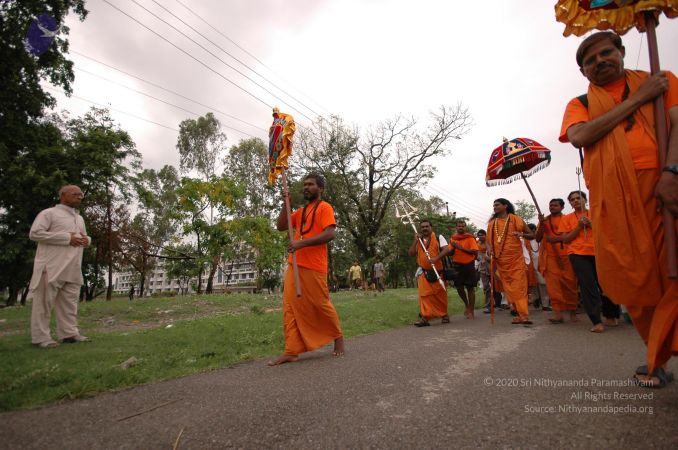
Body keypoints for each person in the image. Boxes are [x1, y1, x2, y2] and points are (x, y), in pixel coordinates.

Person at [560, 31, 678, 387]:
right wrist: (639, 99)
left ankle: (660, 352)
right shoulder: (580, 103)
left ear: (622, 51)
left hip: (666, 186)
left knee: (674, 270)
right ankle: (657, 357)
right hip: (615, 201)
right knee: (636, 281)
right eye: (590, 61)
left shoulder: (660, 79)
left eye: (606, 53)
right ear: (583, 72)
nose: (600, 62)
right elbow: (580, 136)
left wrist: (672, 172)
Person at [269, 173, 344, 365]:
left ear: (321, 188)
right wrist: (285, 204)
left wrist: (301, 244)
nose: (306, 187)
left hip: (315, 266)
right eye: (304, 184)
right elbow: (281, 226)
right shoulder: (301, 212)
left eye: (310, 184)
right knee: (289, 308)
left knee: (321, 304)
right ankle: (291, 350)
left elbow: (330, 234)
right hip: (294, 265)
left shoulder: (325, 207)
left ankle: (338, 338)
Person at [29, 185, 91, 348]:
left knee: (69, 303)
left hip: (73, 267)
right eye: (75, 194)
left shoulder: (79, 218)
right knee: (43, 303)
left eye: (81, 194)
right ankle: (40, 338)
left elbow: (83, 236)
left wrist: (87, 240)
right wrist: (66, 238)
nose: (79, 197)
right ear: (63, 195)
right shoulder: (49, 213)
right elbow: (35, 234)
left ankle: (69, 333)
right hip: (51, 266)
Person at [559, 191, 620, 333]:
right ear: (570, 203)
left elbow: (608, 233)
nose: (575, 201)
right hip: (578, 254)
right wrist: (578, 227)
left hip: (599, 252)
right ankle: (596, 321)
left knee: (606, 284)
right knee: (587, 285)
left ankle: (611, 315)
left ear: (585, 200)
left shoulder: (596, 213)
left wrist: (591, 224)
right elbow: (565, 239)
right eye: (572, 199)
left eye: (578, 198)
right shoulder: (566, 218)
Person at [486, 198, 534, 325]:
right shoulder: (492, 223)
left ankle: (524, 315)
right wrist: (489, 250)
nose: (494, 207)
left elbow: (531, 235)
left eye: (497, 205)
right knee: (509, 288)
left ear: (505, 206)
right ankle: (518, 313)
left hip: (516, 259)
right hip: (501, 261)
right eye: (493, 205)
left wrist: (521, 234)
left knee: (519, 286)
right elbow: (488, 242)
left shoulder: (516, 219)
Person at [535, 199, 579, 323]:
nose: (552, 207)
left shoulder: (568, 219)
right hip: (550, 257)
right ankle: (557, 314)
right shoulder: (545, 221)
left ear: (562, 207)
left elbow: (573, 236)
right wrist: (541, 224)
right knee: (553, 286)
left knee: (570, 284)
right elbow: (537, 238)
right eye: (551, 205)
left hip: (567, 255)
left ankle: (573, 312)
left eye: (555, 205)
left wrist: (556, 239)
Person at [408, 220, 449, 326]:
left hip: (438, 272)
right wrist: (415, 241)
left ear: (431, 227)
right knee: (424, 296)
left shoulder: (439, 237)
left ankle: (444, 315)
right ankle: (425, 318)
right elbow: (411, 253)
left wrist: (436, 258)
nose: (425, 228)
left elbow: (446, 250)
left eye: (427, 226)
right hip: (424, 273)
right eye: (422, 227)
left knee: (440, 295)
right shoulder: (419, 240)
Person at [436, 221, 479, 319]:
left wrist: (460, 248)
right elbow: (450, 252)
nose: (461, 228)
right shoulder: (453, 238)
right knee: (459, 287)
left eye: (462, 226)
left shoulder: (470, 238)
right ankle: (467, 305)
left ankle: (471, 310)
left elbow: (474, 251)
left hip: (469, 265)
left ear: (465, 227)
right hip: (457, 266)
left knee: (470, 288)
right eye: (459, 226)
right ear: (456, 227)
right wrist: (446, 250)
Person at [526, 223, 550, 312]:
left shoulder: (540, 239)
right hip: (530, 268)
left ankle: (545, 304)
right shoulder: (524, 241)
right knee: (532, 285)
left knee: (543, 284)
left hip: (541, 266)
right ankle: (535, 298)